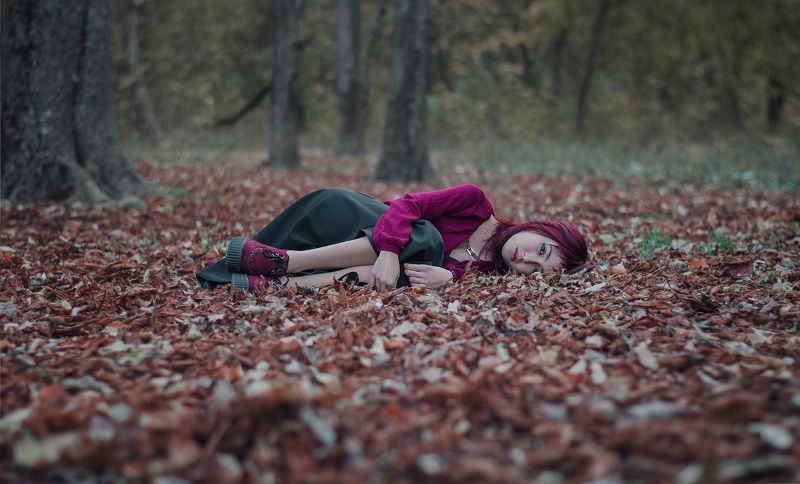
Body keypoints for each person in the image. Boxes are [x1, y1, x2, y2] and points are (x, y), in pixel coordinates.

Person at [196, 184, 593, 292]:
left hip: (349, 265)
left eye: (534, 267)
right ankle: (285, 261)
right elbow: (408, 206)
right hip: (340, 219)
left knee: (409, 273)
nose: (525, 257)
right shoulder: (474, 203)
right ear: (541, 228)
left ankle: (278, 284)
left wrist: (449, 278)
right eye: (541, 249)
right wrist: (388, 250)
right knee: (425, 238)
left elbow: (414, 274)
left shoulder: (488, 272)